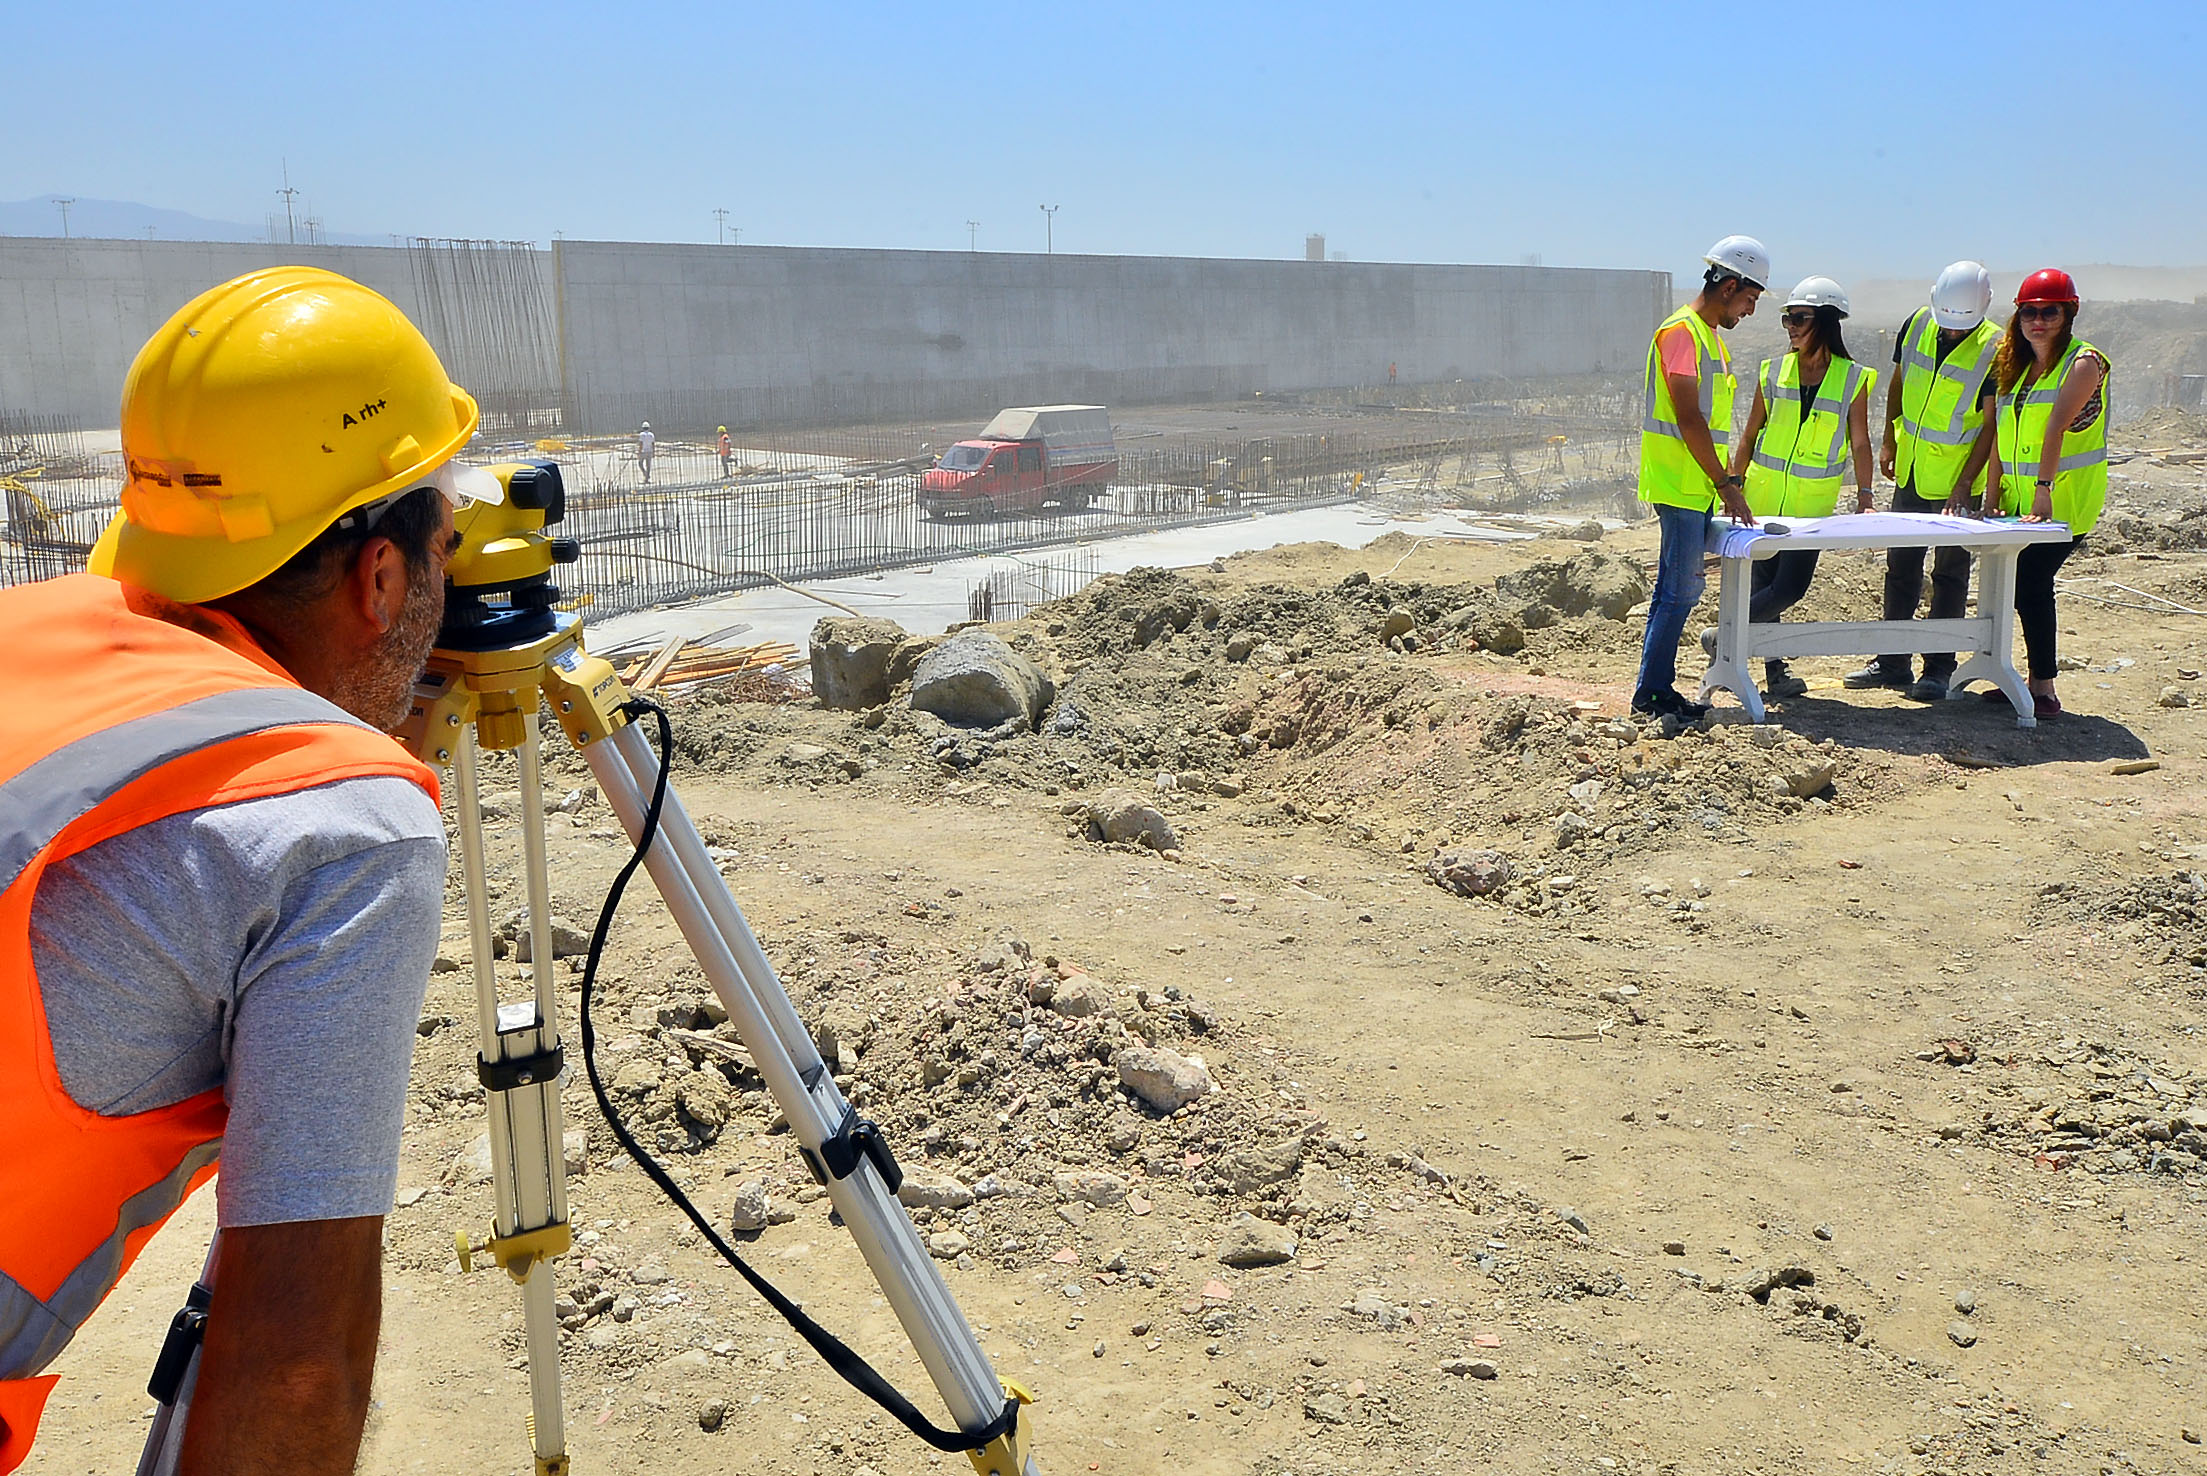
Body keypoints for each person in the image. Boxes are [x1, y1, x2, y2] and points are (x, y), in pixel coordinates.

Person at [0, 266, 499, 1475]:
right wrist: (370, 770)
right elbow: (294, 1361)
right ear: (384, 578)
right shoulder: (344, 830)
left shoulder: (38, 633)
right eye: (443, 541)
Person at [1846, 261, 2002, 700]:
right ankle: (1893, 661)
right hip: (1913, 471)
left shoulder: (1996, 346)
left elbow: (1991, 426)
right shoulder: (1916, 323)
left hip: (1958, 482)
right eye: (1947, 325)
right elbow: (1898, 381)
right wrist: (1890, 438)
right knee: (1901, 567)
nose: (1952, 333)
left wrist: (1964, 484)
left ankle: (1938, 669)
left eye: (1960, 328)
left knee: (1950, 575)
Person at [1631, 234, 1768, 721]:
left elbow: (1705, 422)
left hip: (1694, 484)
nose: (1749, 311)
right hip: (1681, 485)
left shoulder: (1707, 338)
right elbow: (1689, 418)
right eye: (1750, 299)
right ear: (1729, 285)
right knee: (1679, 591)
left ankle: (1653, 687)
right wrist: (1725, 483)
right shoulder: (1682, 333)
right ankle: (1652, 693)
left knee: (1677, 589)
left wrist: (1721, 481)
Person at [1718, 276, 1876, 699]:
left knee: (1790, 588)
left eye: (1799, 318)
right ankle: (1776, 673)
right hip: (1763, 497)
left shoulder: (1852, 378)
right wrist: (1734, 484)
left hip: (1811, 507)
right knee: (1765, 584)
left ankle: (1726, 633)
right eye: (1787, 318)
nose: (1790, 326)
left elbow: (1860, 441)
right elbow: (1750, 434)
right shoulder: (1773, 371)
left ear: (1825, 322)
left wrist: (1866, 497)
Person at [1984, 268, 2108, 721]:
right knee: (2010, 585)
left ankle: (2044, 689)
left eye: (2048, 311)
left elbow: (2056, 427)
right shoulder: (2018, 366)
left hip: (2062, 501)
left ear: (2068, 313)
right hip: (2021, 505)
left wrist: (2042, 490)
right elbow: (2001, 433)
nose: (2038, 320)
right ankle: (2016, 678)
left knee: (2032, 584)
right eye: (2029, 312)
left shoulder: (2084, 362)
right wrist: (1993, 490)